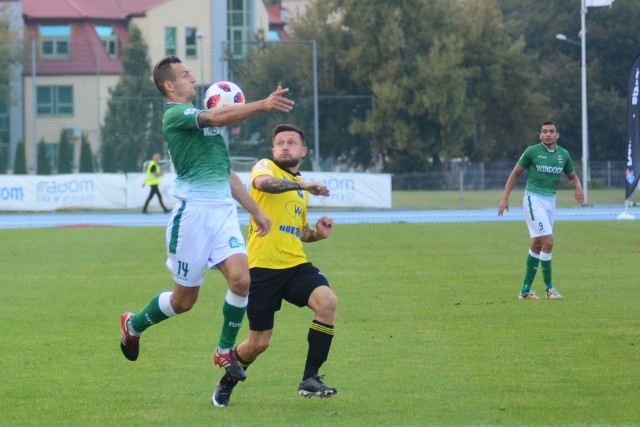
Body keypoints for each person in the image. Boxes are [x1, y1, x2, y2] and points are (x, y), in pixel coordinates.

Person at [119, 56, 295, 386]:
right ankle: (134, 324)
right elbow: (214, 115)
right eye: (186, 76)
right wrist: (263, 106)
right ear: (169, 85)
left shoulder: (206, 125)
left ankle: (224, 350)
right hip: (193, 217)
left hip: (223, 214)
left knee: (242, 281)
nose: (194, 80)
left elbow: (224, 173)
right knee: (183, 301)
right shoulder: (176, 115)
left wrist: (255, 211)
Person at [212, 124, 337, 407]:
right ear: (272, 149)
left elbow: (299, 231)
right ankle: (226, 382)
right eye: (279, 142)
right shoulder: (265, 168)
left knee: (328, 302)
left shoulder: (301, 191)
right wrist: (302, 184)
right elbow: (262, 185)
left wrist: (317, 233)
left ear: (303, 151)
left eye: (291, 142)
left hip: (295, 265)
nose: (284, 146)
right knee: (259, 343)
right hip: (261, 269)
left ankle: (310, 378)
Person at [498, 120, 584, 300]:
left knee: (538, 244)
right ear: (540, 135)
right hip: (533, 199)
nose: (548, 134)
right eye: (544, 131)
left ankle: (525, 290)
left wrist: (578, 186)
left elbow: (572, 176)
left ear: (557, 135)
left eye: (551, 131)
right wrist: (505, 198)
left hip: (550, 202)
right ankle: (550, 289)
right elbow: (515, 173)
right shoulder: (532, 152)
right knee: (549, 241)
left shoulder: (563, 155)